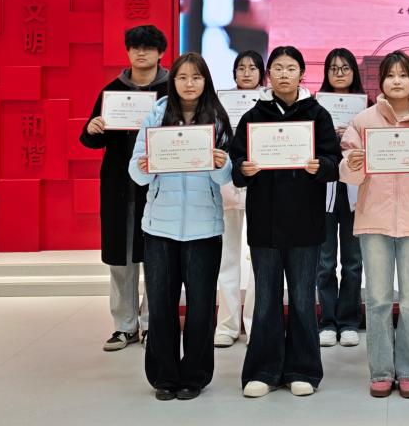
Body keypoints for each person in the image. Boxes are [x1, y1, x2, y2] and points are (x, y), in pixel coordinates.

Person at [230, 46, 342, 398]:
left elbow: (334, 161)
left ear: (301, 73)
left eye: (290, 68)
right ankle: (263, 371)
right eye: (277, 68)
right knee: (265, 300)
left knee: (303, 300)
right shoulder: (253, 116)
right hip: (264, 222)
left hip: (306, 223)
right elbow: (236, 163)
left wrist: (321, 166)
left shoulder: (317, 114)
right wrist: (244, 169)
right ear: (269, 74)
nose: (283, 74)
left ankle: (303, 370)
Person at [340, 51, 409, 398]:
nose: (397, 81)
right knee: (376, 299)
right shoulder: (363, 121)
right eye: (390, 76)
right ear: (381, 82)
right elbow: (348, 175)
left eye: (403, 75)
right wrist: (354, 164)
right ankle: (381, 370)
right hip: (373, 220)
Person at [127, 52, 234, 401]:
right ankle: (164, 376)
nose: (189, 83)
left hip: (205, 228)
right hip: (160, 227)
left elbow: (227, 177)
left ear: (206, 81)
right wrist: (145, 166)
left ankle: (195, 377)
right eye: (183, 77)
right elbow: (135, 172)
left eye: (196, 77)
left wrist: (221, 164)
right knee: (161, 305)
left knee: (201, 307)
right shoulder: (157, 114)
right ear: (172, 81)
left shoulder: (216, 117)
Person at [79, 24, 169, 352]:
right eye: (134, 47)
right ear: (127, 51)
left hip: (160, 187)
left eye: (148, 47)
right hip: (119, 187)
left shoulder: (172, 90)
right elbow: (92, 139)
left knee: (157, 259)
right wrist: (92, 128)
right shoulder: (112, 91)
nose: (140, 52)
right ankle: (123, 326)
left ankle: (152, 325)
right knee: (121, 259)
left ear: (161, 53)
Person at [215, 50, 266, 348]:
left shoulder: (269, 104)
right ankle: (227, 324)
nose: (246, 73)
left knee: (260, 260)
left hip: (261, 188)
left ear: (262, 73)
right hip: (226, 187)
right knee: (228, 258)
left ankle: (255, 323)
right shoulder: (219, 103)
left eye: (252, 68)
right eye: (241, 68)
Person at [316, 48, 366, 349]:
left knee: (352, 261)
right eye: (333, 68)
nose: (339, 73)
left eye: (345, 68)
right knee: (324, 263)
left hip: (355, 192)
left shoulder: (366, 108)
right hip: (323, 192)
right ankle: (327, 321)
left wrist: (352, 136)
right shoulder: (315, 107)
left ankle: (348, 321)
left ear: (353, 72)